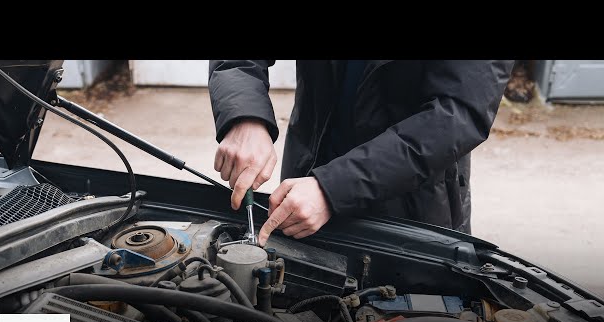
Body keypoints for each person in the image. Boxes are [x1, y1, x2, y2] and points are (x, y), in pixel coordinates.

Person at [208, 60, 513, 245]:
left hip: (409, 215)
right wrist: (244, 116)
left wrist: (334, 188)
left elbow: (457, 115)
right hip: (303, 189)